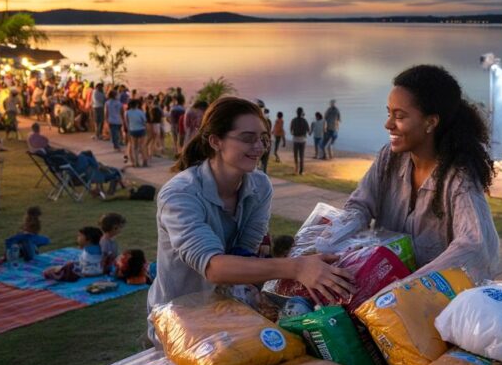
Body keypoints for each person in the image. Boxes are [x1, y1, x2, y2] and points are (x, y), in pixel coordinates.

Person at [149, 97, 354, 325]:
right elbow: (213, 267)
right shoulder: (181, 194)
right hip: (179, 318)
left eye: (264, 139)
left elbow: (245, 252)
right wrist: (296, 268)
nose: (259, 148)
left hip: (228, 314)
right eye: (248, 139)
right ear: (216, 141)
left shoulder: (259, 186)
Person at [342, 64, 500, 284]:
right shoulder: (389, 157)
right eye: (389, 113)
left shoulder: (458, 178)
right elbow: (359, 205)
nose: (388, 124)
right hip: (379, 287)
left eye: (399, 116)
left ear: (430, 122)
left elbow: (473, 246)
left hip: (433, 301)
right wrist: (329, 241)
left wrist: (406, 286)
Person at [125, 99, 149, 167]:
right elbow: (144, 121)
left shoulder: (128, 112)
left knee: (134, 147)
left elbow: (127, 122)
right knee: (142, 146)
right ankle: (145, 161)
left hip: (132, 130)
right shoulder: (140, 112)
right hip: (141, 129)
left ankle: (136, 162)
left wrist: (129, 130)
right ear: (137, 105)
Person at [289, 107, 310, 175]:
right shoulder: (304, 120)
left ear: (296, 112)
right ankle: (301, 171)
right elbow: (308, 131)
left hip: (295, 139)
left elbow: (291, 131)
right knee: (301, 156)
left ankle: (296, 170)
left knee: (296, 155)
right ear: (302, 113)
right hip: (302, 139)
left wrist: (294, 132)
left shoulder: (294, 120)